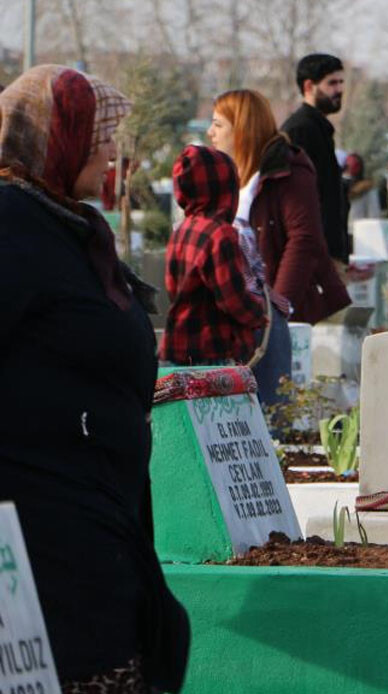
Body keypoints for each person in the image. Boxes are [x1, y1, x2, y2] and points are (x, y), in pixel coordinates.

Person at [0, 65, 189, 690]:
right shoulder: (10, 224)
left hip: (94, 519)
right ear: (56, 138)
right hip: (41, 530)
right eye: (97, 133)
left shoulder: (63, 222)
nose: (110, 148)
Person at [209, 89, 349, 407]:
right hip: (245, 307)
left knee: (274, 402)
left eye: (218, 124)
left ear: (241, 128)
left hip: (279, 305)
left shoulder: (288, 170)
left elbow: (304, 238)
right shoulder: (232, 172)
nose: (210, 133)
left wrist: (277, 306)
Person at [162, 145, 266, 366]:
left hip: (179, 344)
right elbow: (233, 299)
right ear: (225, 190)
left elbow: (172, 287)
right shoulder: (220, 234)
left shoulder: (181, 230)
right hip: (213, 350)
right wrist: (260, 312)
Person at [281, 53, 349, 263]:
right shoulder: (301, 130)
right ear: (309, 86)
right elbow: (301, 199)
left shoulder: (318, 128)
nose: (339, 90)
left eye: (340, 82)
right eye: (331, 83)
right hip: (313, 255)